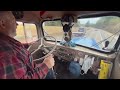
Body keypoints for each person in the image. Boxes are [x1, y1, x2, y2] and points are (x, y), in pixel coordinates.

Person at [0, 11, 55, 79]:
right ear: (2, 23)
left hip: (30, 69)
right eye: (13, 20)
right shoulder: (6, 53)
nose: (17, 24)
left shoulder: (6, 43)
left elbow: (15, 49)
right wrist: (46, 65)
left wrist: (28, 44)